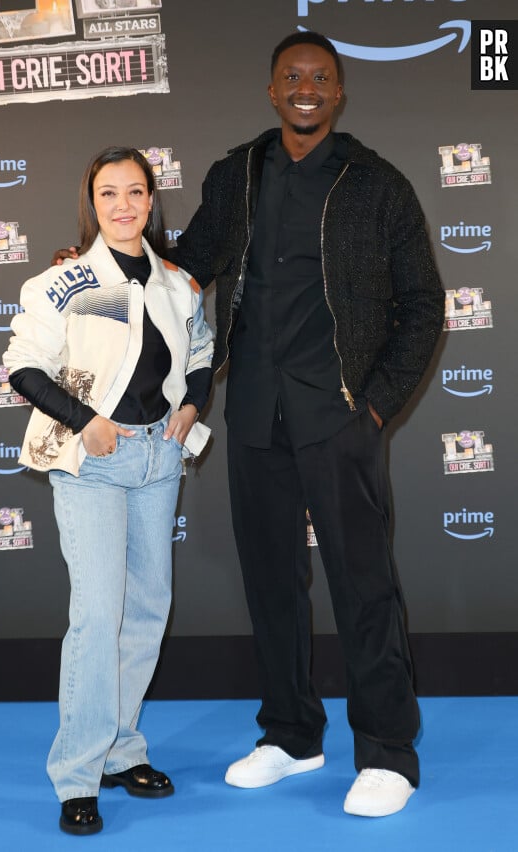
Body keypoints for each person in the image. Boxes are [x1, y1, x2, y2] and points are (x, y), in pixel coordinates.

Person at [53, 31, 444, 818]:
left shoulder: (379, 185)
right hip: (255, 411)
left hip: (338, 415)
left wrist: (374, 407)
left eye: (321, 78)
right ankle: (293, 735)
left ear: (338, 93)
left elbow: (425, 306)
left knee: (363, 587)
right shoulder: (238, 173)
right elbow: (189, 262)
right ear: (272, 91)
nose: (306, 88)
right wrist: (99, 259)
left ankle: (389, 753)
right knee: (272, 586)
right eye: (291, 77)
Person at [3, 145, 214, 835]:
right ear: (91, 204)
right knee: (98, 616)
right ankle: (77, 774)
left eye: (136, 192)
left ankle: (122, 750)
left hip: (158, 459)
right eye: (108, 194)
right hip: (93, 463)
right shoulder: (60, 282)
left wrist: (190, 409)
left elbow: (204, 351)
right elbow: (22, 366)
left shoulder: (178, 284)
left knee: (148, 608)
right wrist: (83, 420)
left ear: (153, 201)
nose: (123, 205)